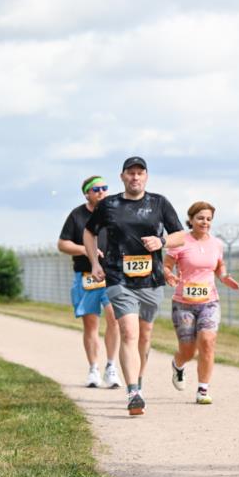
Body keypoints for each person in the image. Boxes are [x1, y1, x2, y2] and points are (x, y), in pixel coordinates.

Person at [85, 156, 185, 415]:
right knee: (129, 332)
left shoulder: (158, 203)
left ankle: (139, 379)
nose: (135, 177)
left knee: (145, 334)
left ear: (146, 177)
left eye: (140, 173)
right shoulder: (109, 204)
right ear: (122, 177)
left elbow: (180, 234)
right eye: (130, 173)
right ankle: (133, 392)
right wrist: (95, 262)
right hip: (118, 277)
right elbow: (89, 232)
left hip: (151, 279)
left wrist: (161, 242)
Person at [163, 201, 239, 404]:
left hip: (209, 302)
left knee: (207, 341)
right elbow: (166, 265)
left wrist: (224, 277)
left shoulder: (216, 243)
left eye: (208, 219)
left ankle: (203, 390)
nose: (204, 222)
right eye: (200, 218)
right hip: (183, 303)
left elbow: (219, 266)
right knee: (188, 350)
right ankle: (178, 365)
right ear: (190, 220)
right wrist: (169, 275)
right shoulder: (180, 242)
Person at [58, 176, 122, 389]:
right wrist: (85, 249)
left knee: (114, 318)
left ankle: (111, 367)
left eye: (105, 188)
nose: (102, 192)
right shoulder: (77, 215)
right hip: (86, 275)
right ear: (87, 193)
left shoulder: (114, 212)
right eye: (96, 189)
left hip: (112, 275)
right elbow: (63, 243)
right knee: (91, 324)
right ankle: (93, 368)